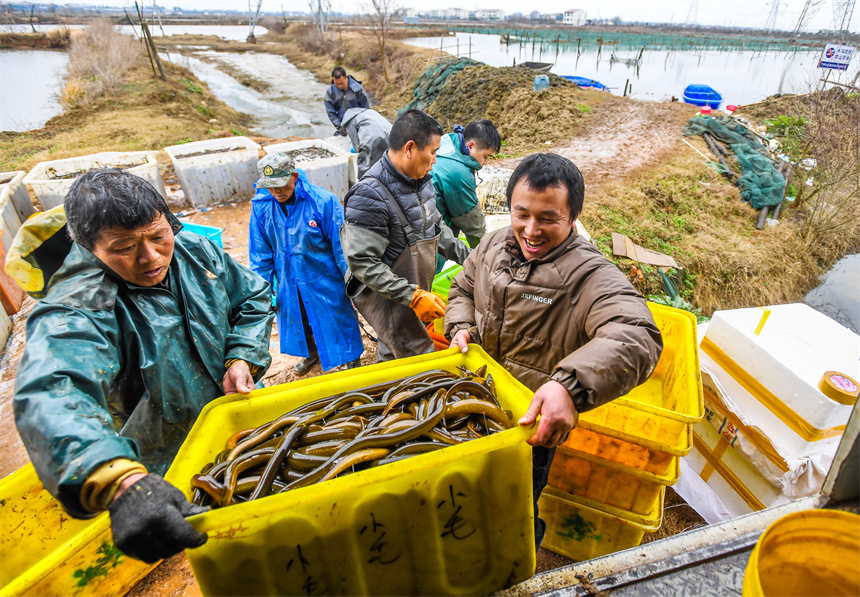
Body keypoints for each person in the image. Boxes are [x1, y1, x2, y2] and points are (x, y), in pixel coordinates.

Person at [9, 169, 274, 564]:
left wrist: (241, 355)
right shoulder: (77, 306)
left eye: (158, 235)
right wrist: (120, 481)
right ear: (88, 246)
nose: (150, 257)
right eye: (123, 247)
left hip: (232, 422)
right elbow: (53, 394)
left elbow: (252, 297)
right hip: (162, 458)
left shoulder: (194, 250)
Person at [444, 153, 663, 548]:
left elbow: (637, 335)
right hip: (474, 403)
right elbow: (461, 287)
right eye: (521, 214)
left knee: (515, 510)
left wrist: (569, 386)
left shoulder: (589, 274)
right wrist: (460, 325)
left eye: (548, 218)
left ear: (573, 217)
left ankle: (519, 562)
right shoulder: (493, 244)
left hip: (530, 428)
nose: (531, 230)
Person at [340, 109, 471, 361]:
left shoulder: (422, 181)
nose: (435, 160)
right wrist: (413, 296)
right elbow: (363, 263)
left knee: (393, 351)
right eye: (432, 152)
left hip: (413, 290)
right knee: (418, 355)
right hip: (390, 298)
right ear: (409, 148)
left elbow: (439, 231)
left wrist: (478, 259)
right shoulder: (369, 194)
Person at [249, 153, 363, 375]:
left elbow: (342, 248)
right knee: (300, 319)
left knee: (339, 317)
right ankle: (312, 355)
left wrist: (351, 282)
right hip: (288, 280)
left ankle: (352, 358)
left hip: (324, 279)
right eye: (270, 187)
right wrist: (262, 291)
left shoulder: (322, 202)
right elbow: (260, 254)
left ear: (294, 176)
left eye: (281, 185)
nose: (276, 192)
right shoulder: (261, 207)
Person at [432, 119, 501, 252]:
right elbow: (473, 225)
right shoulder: (459, 173)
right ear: (470, 146)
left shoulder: (447, 143)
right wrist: (486, 254)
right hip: (432, 242)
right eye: (486, 156)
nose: (486, 162)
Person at [341, 107, 392, 178]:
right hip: (390, 132)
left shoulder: (349, 123)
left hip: (373, 137)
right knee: (388, 161)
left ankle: (362, 183)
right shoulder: (369, 112)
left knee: (365, 161)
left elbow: (355, 142)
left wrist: (358, 153)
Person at [324, 66, 370, 135]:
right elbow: (331, 112)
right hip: (343, 126)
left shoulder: (358, 89)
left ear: (346, 78)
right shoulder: (331, 92)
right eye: (337, 83)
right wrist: (339, 126)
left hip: (359, 123)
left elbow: (366, 109)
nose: (339, 86)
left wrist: (364, 125)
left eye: (342, 83)